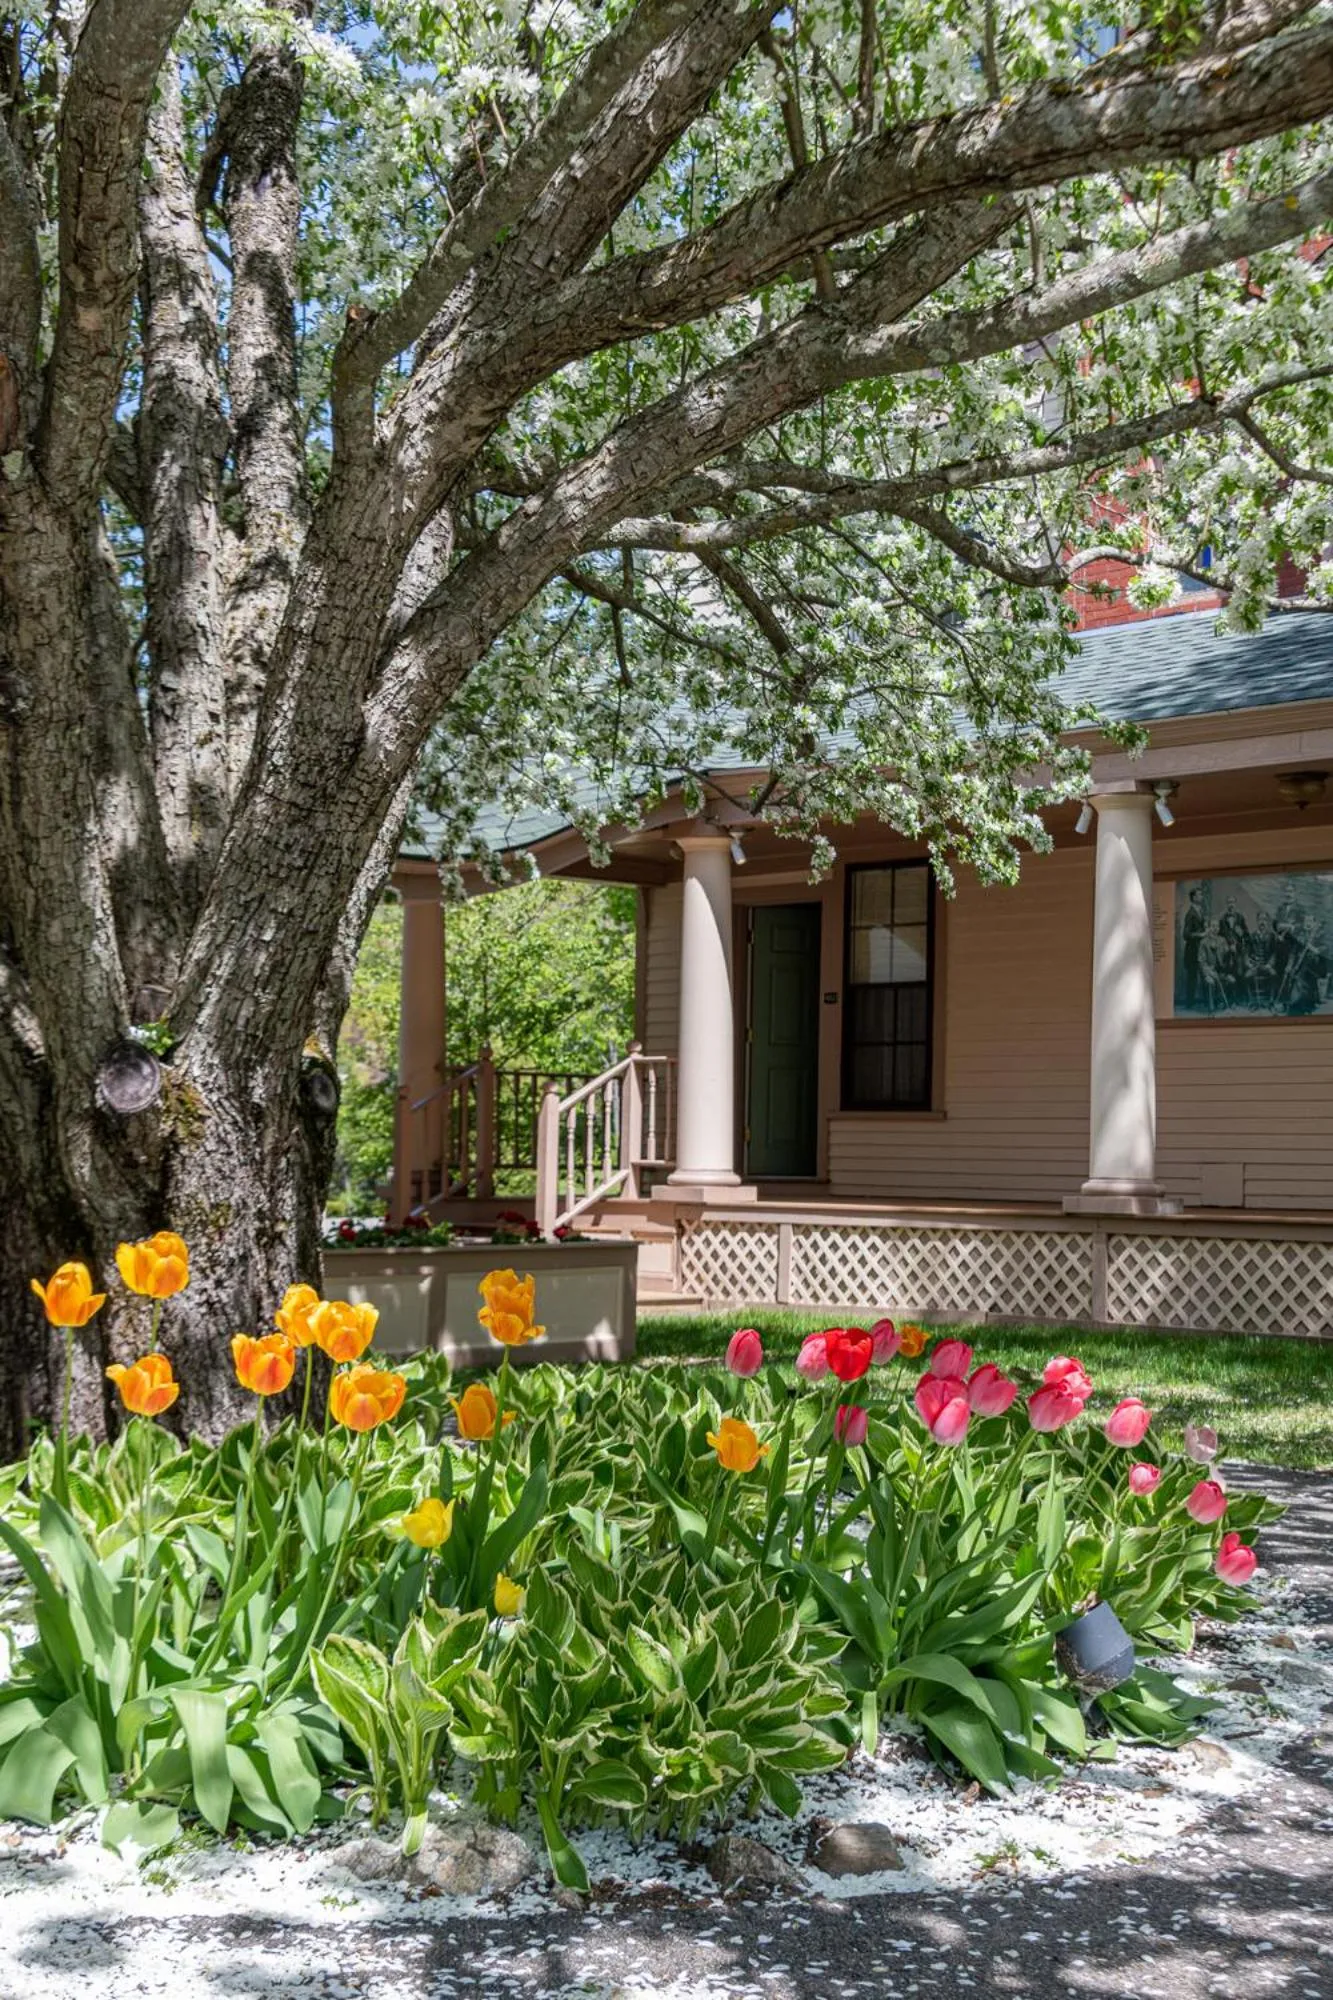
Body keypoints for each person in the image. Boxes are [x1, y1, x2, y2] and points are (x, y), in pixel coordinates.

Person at [1180, 886, 1207, 1010]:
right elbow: (1185, 935)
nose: (1202, 897)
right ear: (1194, 897)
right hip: (1192, 951)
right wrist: (1201, 934)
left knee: (1202, 975)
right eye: (1199, 895)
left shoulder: (1200, 911)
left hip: (1200, 950)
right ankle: (1189, 1005)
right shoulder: (1190, 914)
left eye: (1201, 894)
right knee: (1192, 978)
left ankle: (1206, 1002)